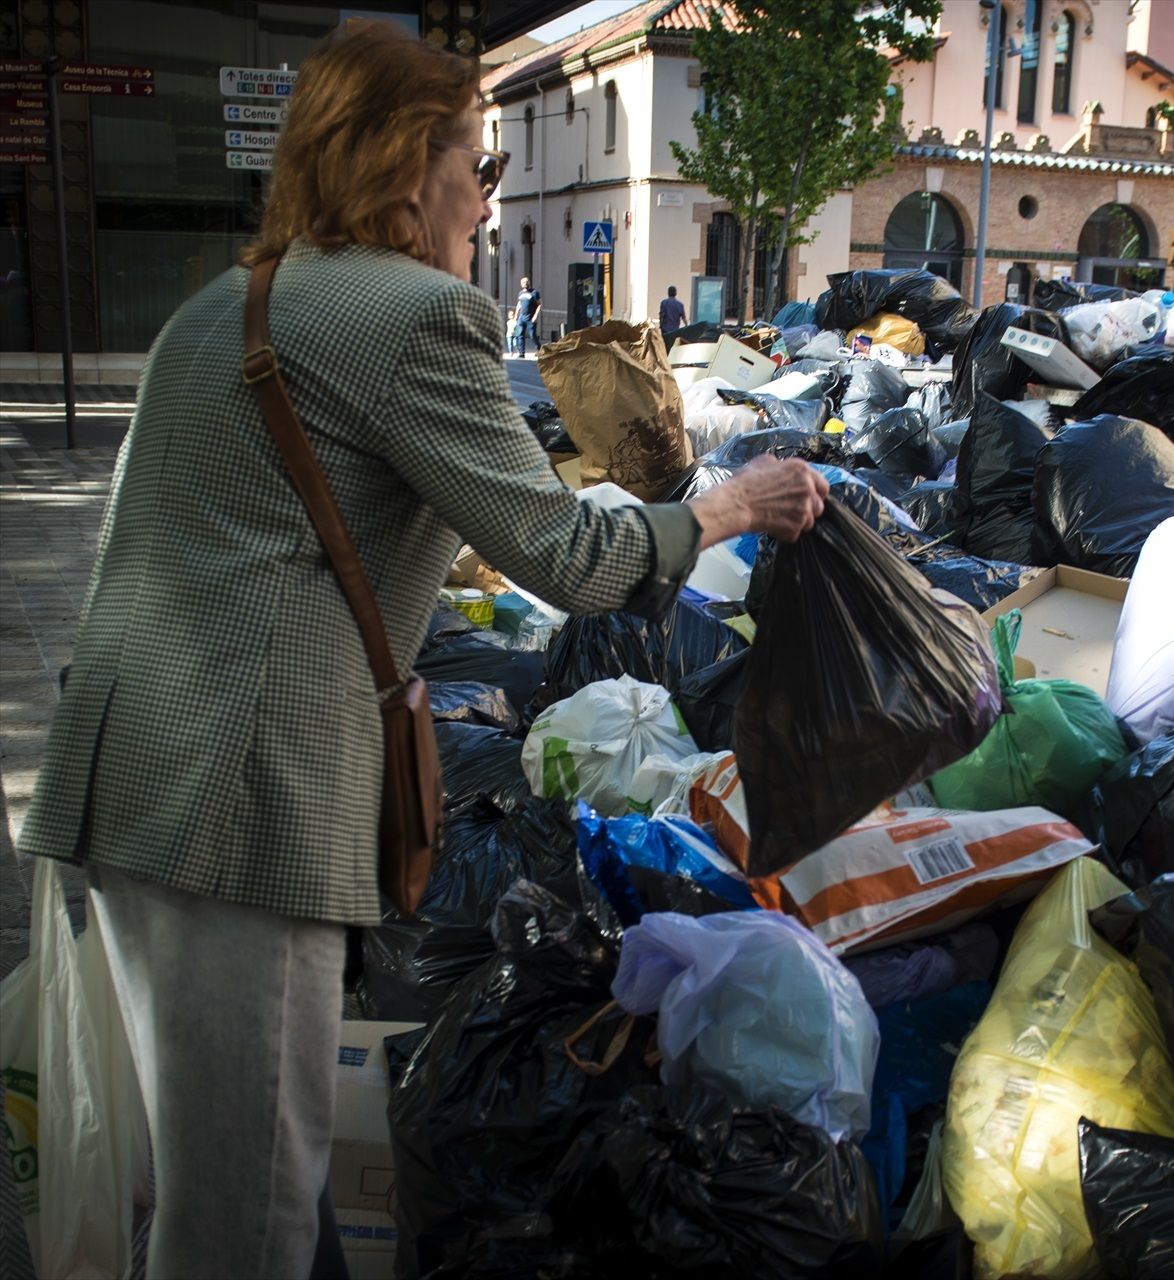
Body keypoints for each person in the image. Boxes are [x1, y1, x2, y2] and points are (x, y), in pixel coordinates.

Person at [15, 23, 826, 1280]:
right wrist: (725, 506)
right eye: (478, 166)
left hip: (132, 769)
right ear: (408, 170)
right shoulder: (417, 313)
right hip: (245, 798)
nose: (484, 205)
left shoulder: (222, 307)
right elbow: (570, 559)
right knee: (242, 1226)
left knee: (220, 1174)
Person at [511, 274, 540, 354]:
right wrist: (516, 316)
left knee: (532, 335)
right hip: (521, 317)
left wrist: (535, 316)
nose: (525, 283)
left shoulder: (534, 293)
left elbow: (539, 305)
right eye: (523, 282)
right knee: (519, 335)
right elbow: (519, 304)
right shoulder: (520, 293)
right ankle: (521, 353)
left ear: (529, 282)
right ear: (521, 284)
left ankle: (539, 349)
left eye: (526, 282)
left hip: (530, 318)